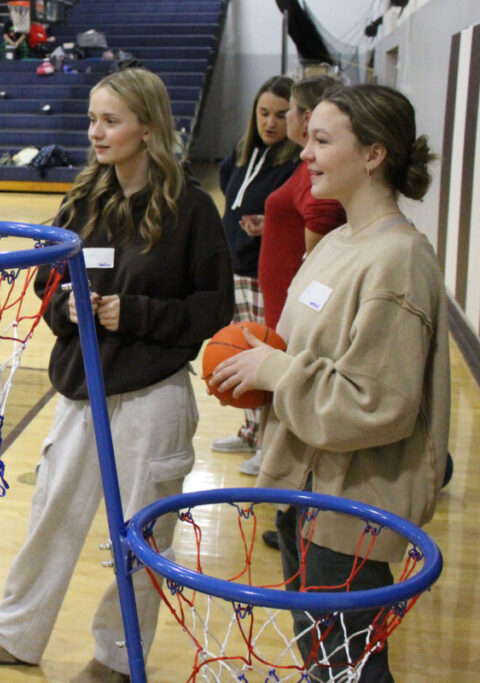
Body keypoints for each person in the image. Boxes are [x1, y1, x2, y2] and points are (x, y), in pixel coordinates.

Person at [0, 67, 234, 683]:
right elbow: (48, 284)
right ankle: (14, 635)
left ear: (148, 128)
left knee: (142, 536)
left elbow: (213, 308)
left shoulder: (191, 209)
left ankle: (118, 658)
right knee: (50, 516)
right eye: (93, 119)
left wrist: (139, 313)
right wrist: (65, 308)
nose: (96, 132)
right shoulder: (82, 201)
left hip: (153, 395)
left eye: (111, 120)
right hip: (80, 389)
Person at [208, 83, 449, 682]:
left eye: (321, 139)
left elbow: (377, 405)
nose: (306, 154)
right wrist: (256, 364)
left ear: (373, 154)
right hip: (306, 486)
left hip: (355, 504)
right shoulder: (340, 241)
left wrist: (275, 370)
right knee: (324, 664)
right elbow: (300, 355)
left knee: (351, 668)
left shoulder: (398, 259)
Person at [212, 75, 300, 475]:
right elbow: (228, 184)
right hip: (235, 268)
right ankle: (250, 432)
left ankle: (271, 445)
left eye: (281, 115)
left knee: (263, 357)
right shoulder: (243, 153)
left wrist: (271, 225)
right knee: (240, 356)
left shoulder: (294, 161)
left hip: (263, 272)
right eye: (263, 113)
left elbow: (295, 214)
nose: (270, 122)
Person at [258, 74, 345, 332]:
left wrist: (302, 315)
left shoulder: (316, 174)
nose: (285, 120)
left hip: (294, 315)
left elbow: (318, 261)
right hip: (284, 307)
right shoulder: (307, 167)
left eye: (288, 111)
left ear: (307, 117)